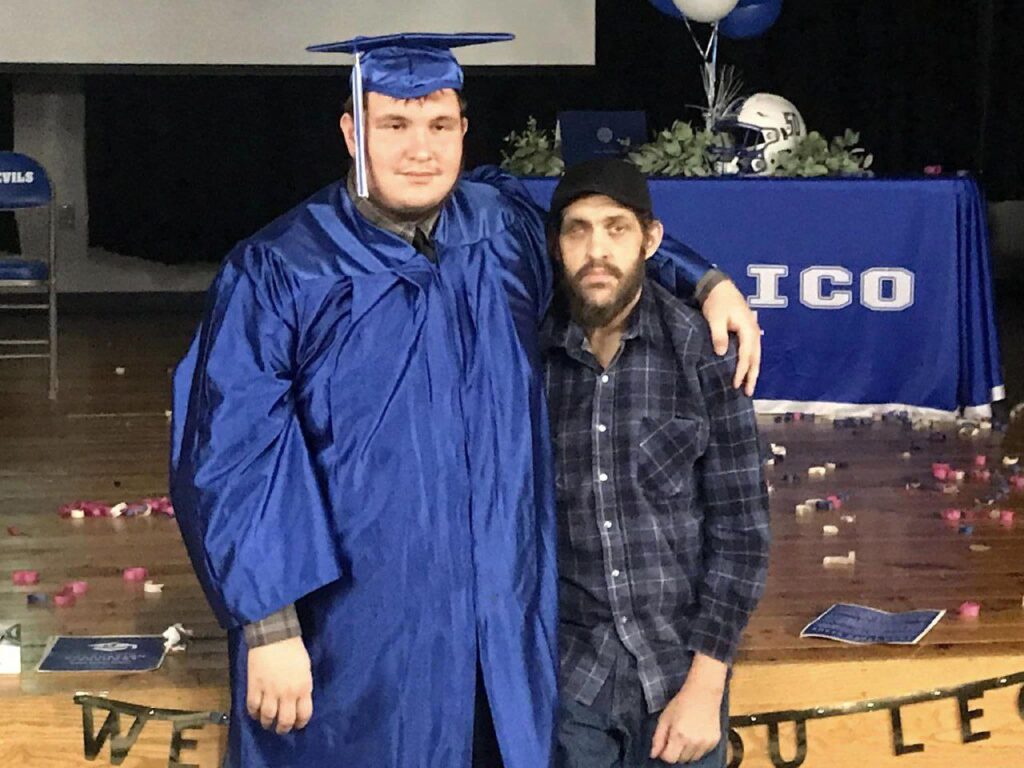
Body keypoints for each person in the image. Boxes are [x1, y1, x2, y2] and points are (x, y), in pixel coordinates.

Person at [169, 33, 763, 768]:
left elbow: (596, 236)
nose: (421, 149)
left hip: (498, 612)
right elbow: (231, 450)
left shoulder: (501, 231)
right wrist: (268, 624)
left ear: (462, 130)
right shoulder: (282, 269)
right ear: (353, 131)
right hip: (352, 627)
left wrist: (705, 280)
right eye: (395, 125)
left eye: (439, 125)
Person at [542, 159, 770, 767]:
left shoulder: (702, 352)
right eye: (578, 230)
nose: (597, 250)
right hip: (570, 684)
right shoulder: (530, 362)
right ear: (555, 243)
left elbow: (742, 535)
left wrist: (706, 685)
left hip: (679, 676)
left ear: (651, 239)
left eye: (617, 229)